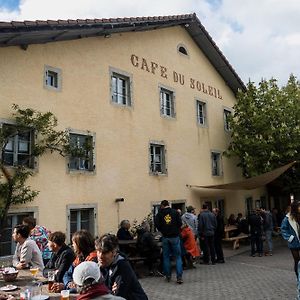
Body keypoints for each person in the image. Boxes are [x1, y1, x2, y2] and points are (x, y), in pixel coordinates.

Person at [95, 234, 148, 300]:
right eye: (98, 251)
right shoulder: (99, 266)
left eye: (105, 252)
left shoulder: (122, 266)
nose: (100, 256)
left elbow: (118, 295)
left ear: (114, 252)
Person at [154, 200, 183, 284]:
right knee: (178, 257)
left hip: (165, 237)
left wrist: (162, 230)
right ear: (168, 205)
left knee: (166, 257)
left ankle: (168, 276)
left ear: (162, 205)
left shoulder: (159, 214)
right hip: (175, 236)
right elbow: (180, 223)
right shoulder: (175, 212)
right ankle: (179, 277)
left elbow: (157, 225)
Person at [281, 201, 300, 278]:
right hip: (294, 242)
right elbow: (283, 229)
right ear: (295, 207)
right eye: (299, 206)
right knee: (297, 260)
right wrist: (290, 238)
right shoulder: (287, 218)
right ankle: (298, 276)